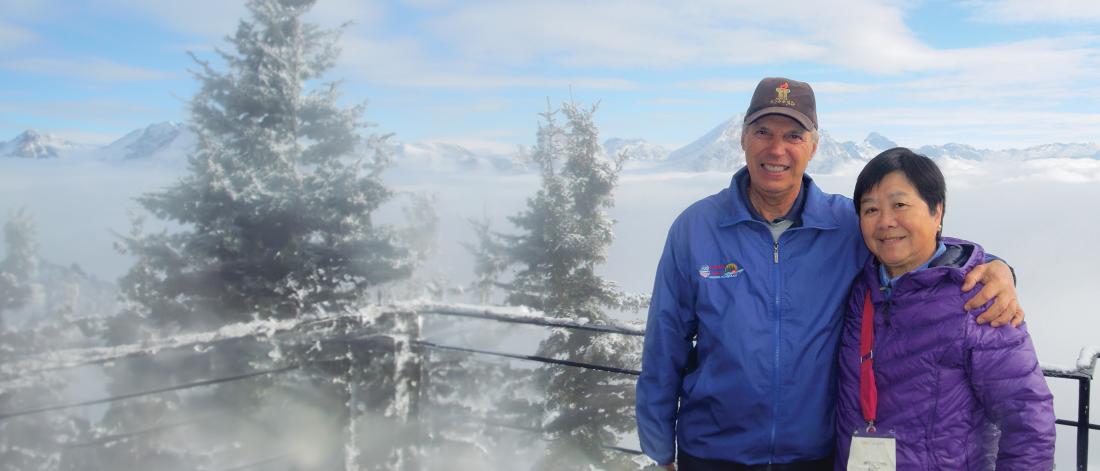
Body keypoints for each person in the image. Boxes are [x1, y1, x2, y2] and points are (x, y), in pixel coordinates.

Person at [635, 77, 1022, 470]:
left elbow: (917, 249)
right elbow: (665, 343)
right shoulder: (696, 228)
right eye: (763, 132)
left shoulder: (845, 225)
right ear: (743, 138)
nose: (777, 149)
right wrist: (660, 447)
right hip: (712, 452)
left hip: (814, 454)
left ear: (814, 147)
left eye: (794, 135)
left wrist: (997, 267)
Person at [835, 148, 1054, 469]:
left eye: (899, 205)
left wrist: (999, 267)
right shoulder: (860, 290)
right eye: (870, 210)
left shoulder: (979, 299)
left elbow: (1028, 420)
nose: (885, 222)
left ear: (937, 212)